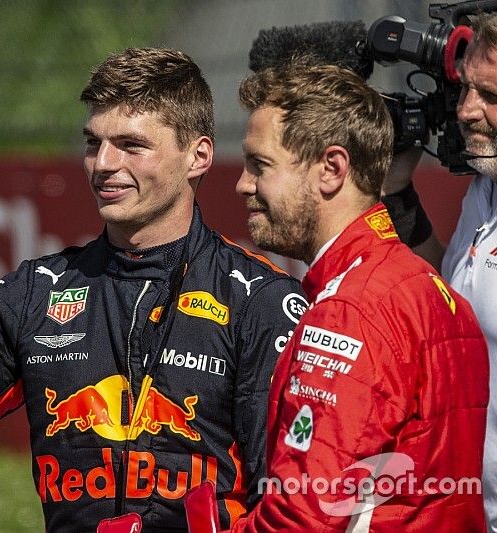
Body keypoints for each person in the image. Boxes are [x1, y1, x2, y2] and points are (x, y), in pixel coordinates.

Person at [0, 47, 306, 532]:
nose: (103, 164)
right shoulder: (32, 295)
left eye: (131, 145)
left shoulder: (260, 301)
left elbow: (293, 499)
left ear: (197, 156)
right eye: (93, 144)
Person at [185, 60, 488, 531]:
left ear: (332, 168)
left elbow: (303, 516)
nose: (242, 184)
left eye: (259, 165)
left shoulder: (350, 309)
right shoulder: (433, 289)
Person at [381, 12, 497, 531]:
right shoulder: (485, 188)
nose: (467, 111)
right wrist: (398, 193)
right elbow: (447, 302)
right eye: (466, 89)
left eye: (491, 96)